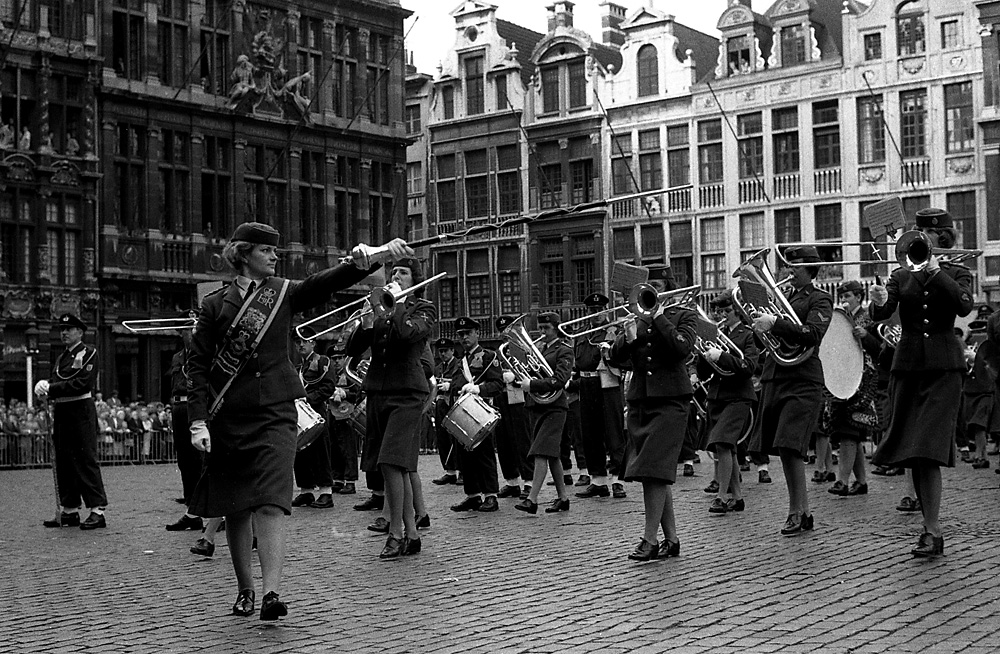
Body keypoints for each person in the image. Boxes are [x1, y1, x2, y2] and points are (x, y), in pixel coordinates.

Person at [187, 221, 411, 619]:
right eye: (266, 251)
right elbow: (200, 367)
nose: (275, 257)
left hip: (275, 413)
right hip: (229, 417)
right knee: (236, 507)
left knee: (272, 501)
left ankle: (272, 593)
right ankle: (246, 590)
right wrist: (198, 421)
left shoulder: (282, 293)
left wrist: (371, 258)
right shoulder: (213, 305)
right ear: (243, 254)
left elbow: (321, 283)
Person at [869, 208, 974, 557]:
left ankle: (932, 528)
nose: (925, 241)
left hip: (944, 368)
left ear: (944, 238)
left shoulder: (958, 272)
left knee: (928, 445)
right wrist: (879, 301)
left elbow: (963, 305)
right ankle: (930, 529)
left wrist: (936, 271)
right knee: (914, 449)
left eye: (931, 236)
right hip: (909, 366)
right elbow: (883, 313)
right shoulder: (901, 275)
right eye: (920, 235)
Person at [345, 256, 436, 559]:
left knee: (390, 462)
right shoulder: (382, 310)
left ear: (414, 280)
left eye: (403, 273)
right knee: (400, 466)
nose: (395, 275)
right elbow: (352, 349)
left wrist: (393, 304)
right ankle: (411, 534)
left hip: (408, 394)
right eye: (394, 271)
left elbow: (409, 334)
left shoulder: (422, 309)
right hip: (378, 393)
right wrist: (368, 319)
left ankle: (395, 533)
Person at [608, 265, 698, 561]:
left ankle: (649, 539)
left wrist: (658, 317)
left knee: (654, 469)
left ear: (669, 290)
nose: (652, 292)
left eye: (658, 286)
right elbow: (616, 358)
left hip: (671, 400)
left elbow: (681, 349)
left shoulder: (683, 316)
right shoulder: (637, 317)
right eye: (650, 286)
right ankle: (671, 540)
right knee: (652, 473)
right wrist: (628, 337)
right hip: (642, 400)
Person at [747, 246, 832, 536]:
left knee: (790, 443)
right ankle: (802, 511)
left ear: (810, 270)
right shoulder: (785, 298)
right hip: (777, 375)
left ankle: (797, 511)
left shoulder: (821, 299)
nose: (788, 271)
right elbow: (765, 344)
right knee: (783, 448)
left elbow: (812, 335)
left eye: (795, 267)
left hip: (803, 377)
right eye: (788, 266)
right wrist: (762, 328)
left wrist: (776, 322)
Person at [36, 313, 109, 530]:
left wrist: (52, 388)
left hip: (80, 411)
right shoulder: (62, 358)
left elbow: (82, 383)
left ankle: (97, 510)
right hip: (62, 410)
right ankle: (69, 509)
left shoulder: (89, 353)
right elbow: (59, 382)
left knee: (85, 459)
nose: (64, 333)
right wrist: (45, 389)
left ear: (80, 332)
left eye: (69, 329)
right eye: (62, 329)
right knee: (64, 460)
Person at [699, 289, 758, 515]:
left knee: (723, 443)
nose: (721, 315)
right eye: (718, 311)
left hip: (739, 396)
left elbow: (749, 367)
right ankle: (738, 497)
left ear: (737, 310)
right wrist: (705, 355)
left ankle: (722, 496)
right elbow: (705, 373)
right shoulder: (716, 334)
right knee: (729, 448)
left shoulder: (748, 334)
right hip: (717, 396)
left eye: (726, 310)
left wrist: (721, 356)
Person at [513, 312, 575, 514]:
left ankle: (532, 499)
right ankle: (563, 498)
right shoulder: (538, 349)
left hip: (555, 407)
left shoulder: (564, 350)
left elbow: (560, 379)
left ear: (556, 328)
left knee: (541, 451)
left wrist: (532, 384)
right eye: (539, 328)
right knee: (552, 454)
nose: (542, 332)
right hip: (537, 406)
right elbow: (528, 373)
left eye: (546, 328)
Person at [826, 280, 879, 497]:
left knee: (851, 429)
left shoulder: (868, 319)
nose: (844, 300)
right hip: (843, 378)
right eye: (842, 297)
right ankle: (862, 481)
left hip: (863, 381)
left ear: (859, 296)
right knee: (849, 431)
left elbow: (881, 350)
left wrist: (867, 337)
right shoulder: (842, 320)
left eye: (847, 296)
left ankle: (842, 480)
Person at [573, 293, 626, 500]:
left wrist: (610, 352)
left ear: (606, 310)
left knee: (613, 431)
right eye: (591, 310)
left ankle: (617, 480)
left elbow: (626, 359)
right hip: (586, 383)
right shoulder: (581, 333)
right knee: (590, 431)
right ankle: (598, 481)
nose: (595, 314)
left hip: (607, 382)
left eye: (599, 310)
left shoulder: (614, 331)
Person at [448, 317, 504, 513]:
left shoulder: (489, 356)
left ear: (477, 333)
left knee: (484, 454)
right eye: (460, 335)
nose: (464, 338)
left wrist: (478, 388)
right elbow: (455, 383)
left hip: (481, 412)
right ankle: (473, 495)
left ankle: (491, 495)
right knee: (465, 455)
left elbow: (498, 385)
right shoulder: (459, 361)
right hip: (463, 412)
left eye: (467, 333)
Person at [291, 326, 337, 509]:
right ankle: (306, 490)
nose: (300, 345)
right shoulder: (298, 366)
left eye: (304, 341)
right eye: (297, 342)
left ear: (313, 342)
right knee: (300, 451)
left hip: (316, 410)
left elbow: (328, 386)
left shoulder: (323, 362)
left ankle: (326, 491)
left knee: (320, 451)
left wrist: (308, 398)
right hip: (300, 412)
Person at [493, 316, 533, 500]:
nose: (504, 335)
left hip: (519, 398)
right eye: (502, 331)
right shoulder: (499, 352)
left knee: (522, 439)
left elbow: (532, 373)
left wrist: (515, 378)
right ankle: (511, 482)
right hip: (502, 397)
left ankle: (529, 481)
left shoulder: (525, 349)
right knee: (504, 441)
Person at [327, 341, 360, 495]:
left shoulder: (351, 374)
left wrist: (346, 394)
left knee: (347, 447)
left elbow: (359, 393)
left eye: (340, 358)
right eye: (334, 358)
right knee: (334, 447)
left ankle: (350, 481)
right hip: (332, 414)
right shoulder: (328, 374)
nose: (337, 361)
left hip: (347, 414)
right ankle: (338, 479)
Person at [431, 338, 462, 485]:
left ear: (452, 351)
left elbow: (464, 381)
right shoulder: (438, 368)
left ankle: (462, 471)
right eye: (440, 351)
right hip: (441, 404)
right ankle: (450, 471)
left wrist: (450, 385)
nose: (443, 354)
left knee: (458, 438)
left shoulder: (459, 365)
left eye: (445, 351)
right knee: (443, 438)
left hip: (455, 404)